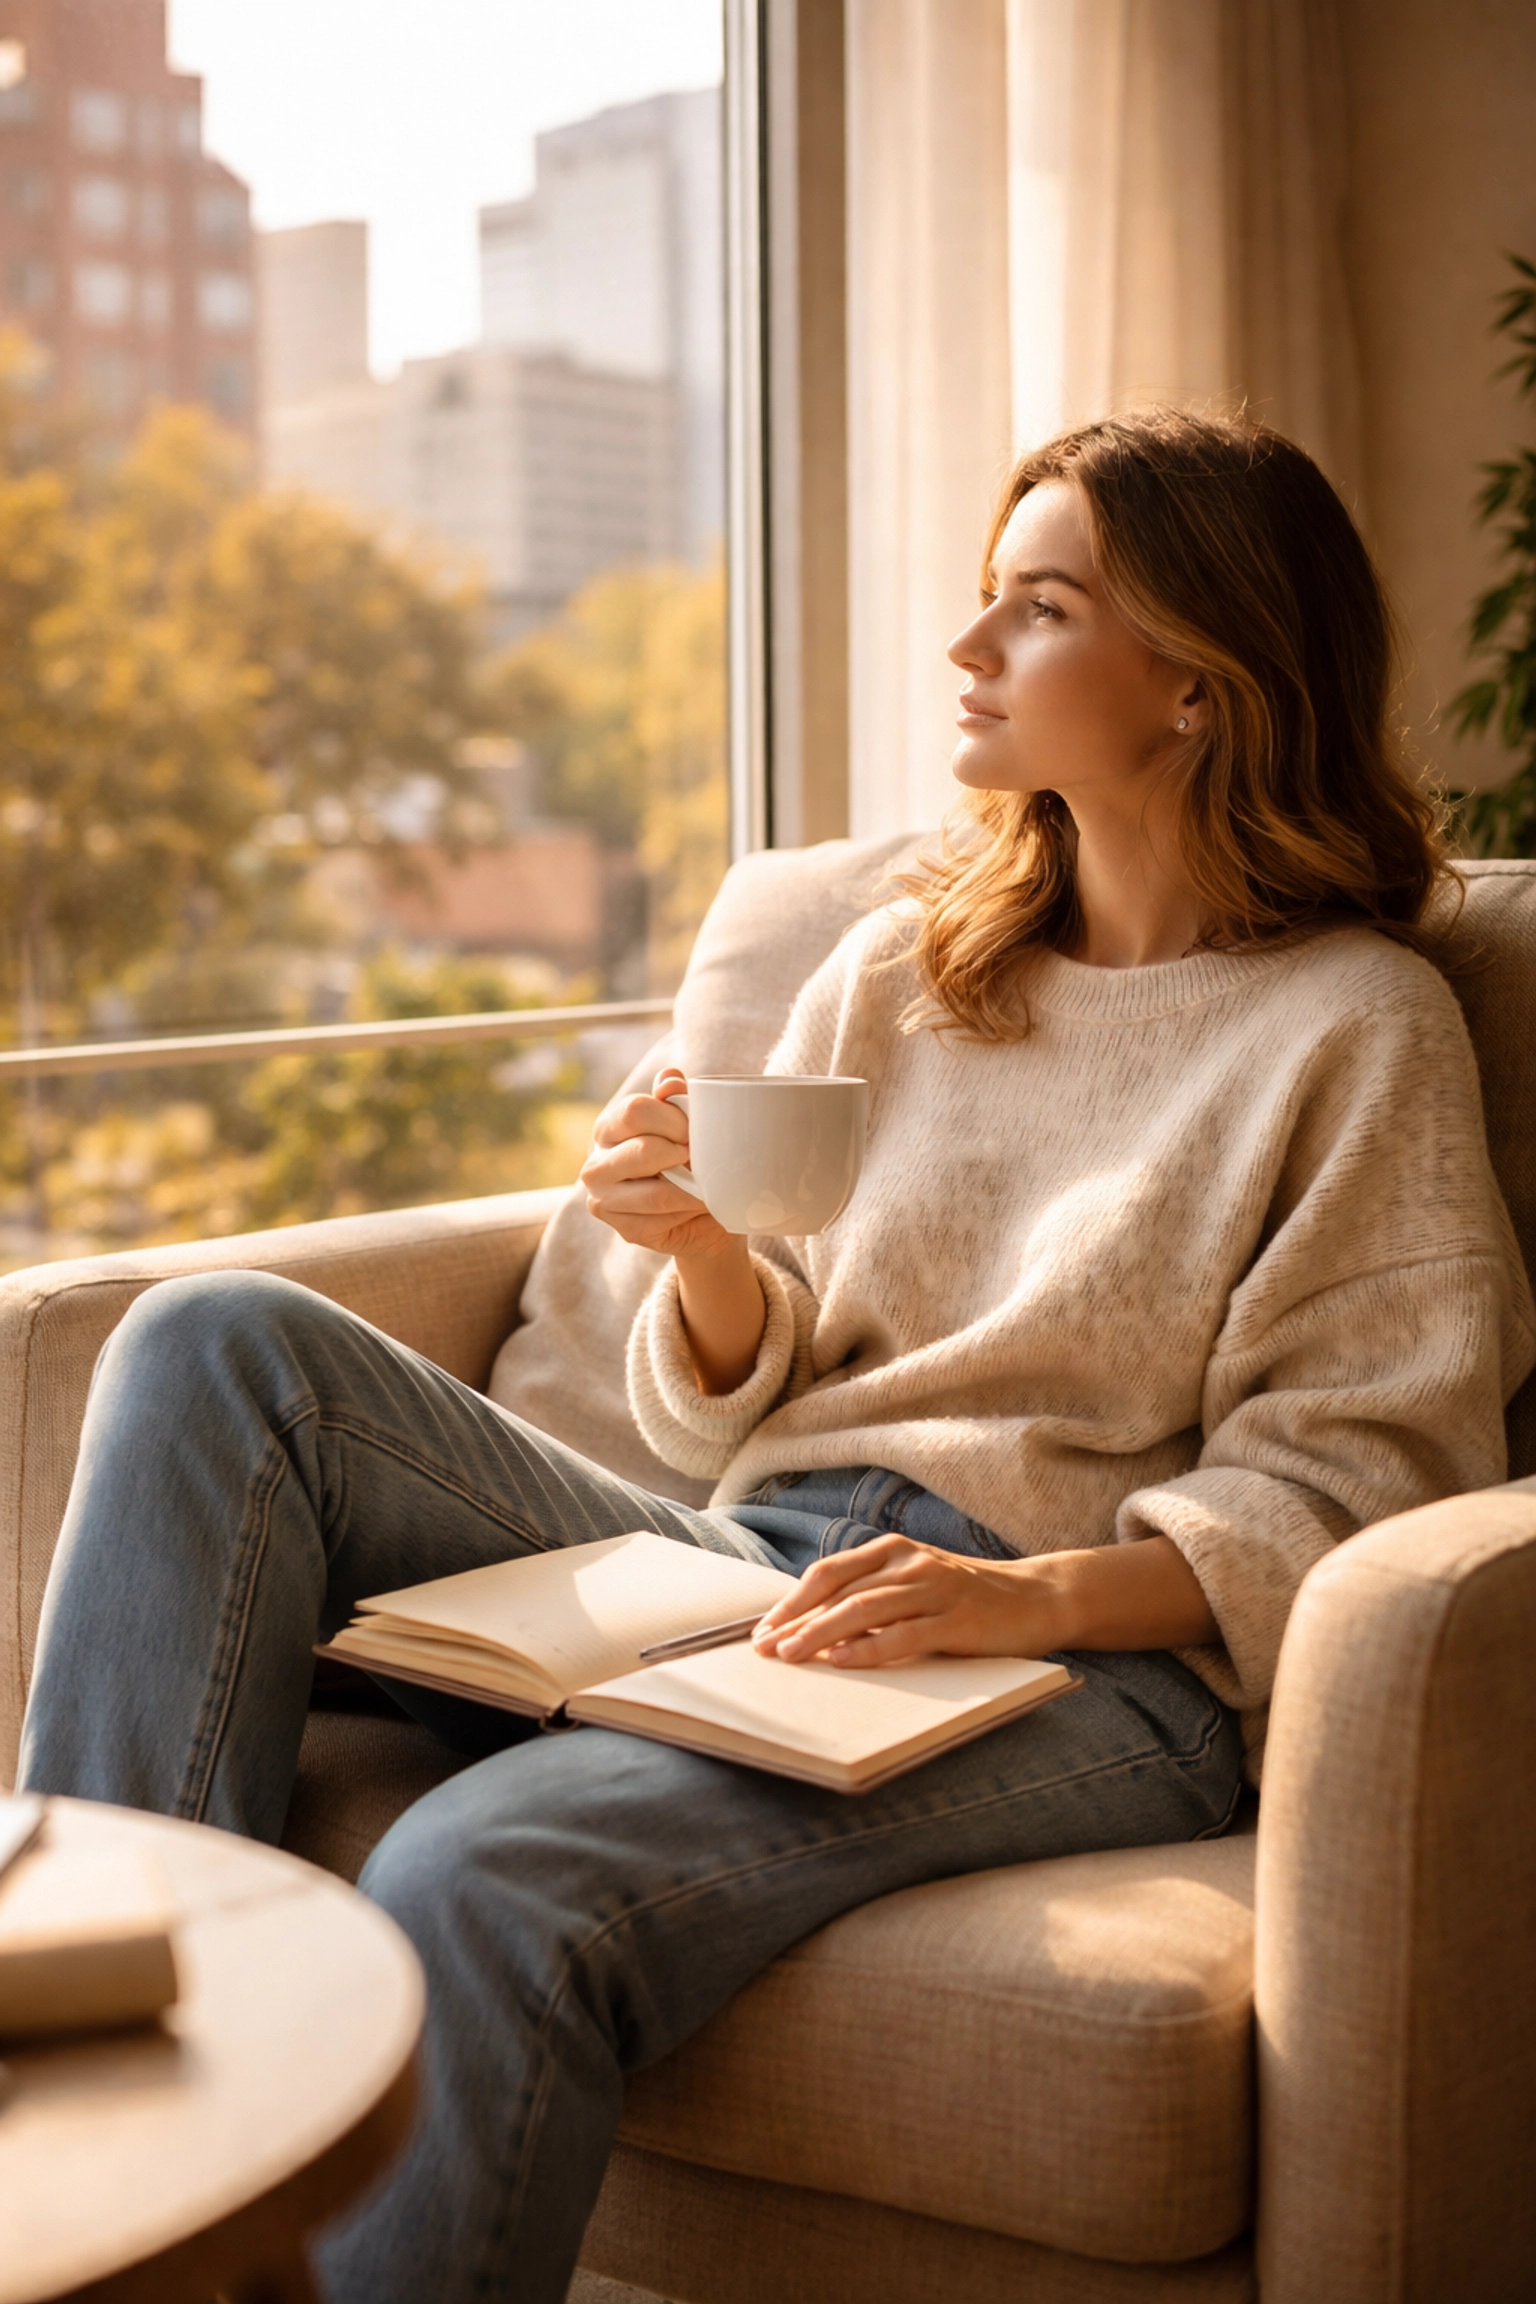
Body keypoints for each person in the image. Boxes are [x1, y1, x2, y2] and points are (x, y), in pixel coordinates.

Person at [19, 410, 1534, 2304]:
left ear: (1201, 688)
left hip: (1082, 1658)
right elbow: (759, 1373)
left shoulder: (1356, 1030)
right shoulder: (906, 971)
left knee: (480, 1876)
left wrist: (1015, 1599)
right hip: (754, 1563)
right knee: (213, 1342)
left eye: (1039, 611)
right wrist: (702, 1258)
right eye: (987, 599)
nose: (967, 650)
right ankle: (89, 2179)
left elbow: (1359, 1495)